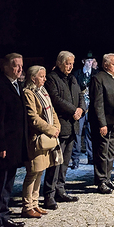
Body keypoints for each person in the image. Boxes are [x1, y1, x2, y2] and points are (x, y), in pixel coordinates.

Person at [43, 51, 85, 210]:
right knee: (55, 162)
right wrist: (73, 110)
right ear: (60, 63)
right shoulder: (52, 78)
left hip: (73, 126)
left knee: (65, 162)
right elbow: (55, 99)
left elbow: (80, 94)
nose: (70, 66)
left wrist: (81, 109)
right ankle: (49, 194)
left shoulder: (73, 78)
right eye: (68, 63)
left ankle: (60, 189)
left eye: (72, 64)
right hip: (60, 126)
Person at [21, 66, 62, 218]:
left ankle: (35, 204)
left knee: (40, 172)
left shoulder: (43, 92)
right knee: (32, 172)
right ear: (33, 78)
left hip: (47, 138)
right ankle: (27, 206)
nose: (45, 79)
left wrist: (57, 128)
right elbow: (33, 117)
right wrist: (50, 130)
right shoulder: (28, 93)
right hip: (37, 140)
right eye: (42, 76)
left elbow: (52, 111)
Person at [0, 53, 27, 227]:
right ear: (6, 67)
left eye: (21, 65)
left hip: (15, 144)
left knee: (8, 183)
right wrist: (0, 145)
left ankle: (5, 216)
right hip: (4, 146)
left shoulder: (17, 86)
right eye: (16, 65)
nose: (20, 69)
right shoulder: (0, 87)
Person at [89, 53, 114, 194]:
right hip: (105, 123)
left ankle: (107, 177)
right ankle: (100, 181)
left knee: (110, 152)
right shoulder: (98, 79)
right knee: (101, 153)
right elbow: (97, 104)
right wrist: (101, 124)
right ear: (105, 65)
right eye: (113, 64)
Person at [71, 56, 98, 168]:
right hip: (80, 106)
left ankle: (91, 157)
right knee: (77, 133)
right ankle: (75, 160)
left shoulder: (96, 74)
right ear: (83, 61)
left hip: (92, 107)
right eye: (88, 61)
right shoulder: (77, 74)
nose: (90, 63)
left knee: (91, 132)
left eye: (92, 61)